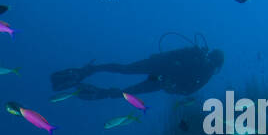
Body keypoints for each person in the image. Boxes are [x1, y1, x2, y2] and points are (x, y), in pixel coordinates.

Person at [50, 42, 224, 100]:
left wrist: (158, 61)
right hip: (162, 77)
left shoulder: (196, 53)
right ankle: (100, 91)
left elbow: (171, 54)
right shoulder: (206, 71)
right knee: (128, 92)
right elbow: (188, 91)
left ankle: (89, 70)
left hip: (159, 67)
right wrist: (171, 88)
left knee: (125, 70)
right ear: (217, 66)